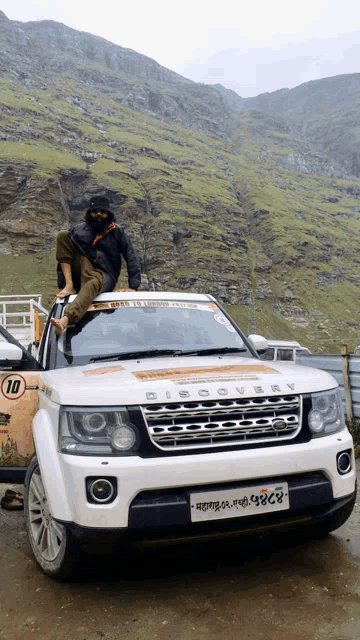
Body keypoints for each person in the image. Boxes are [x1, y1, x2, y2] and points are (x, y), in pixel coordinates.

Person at [50, 195, 141, 336]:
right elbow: (65, 255)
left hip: (105, 275)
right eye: (95, 211)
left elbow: (131, 256)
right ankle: (69, 286)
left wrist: (133, 286)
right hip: (83, 272)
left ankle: (65, 320)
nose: (98, 214)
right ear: (89, 213)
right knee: (63, 235)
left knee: (93, 282)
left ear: (108, 214)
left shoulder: (118, 232)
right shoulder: (78, 230)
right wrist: (63, 285)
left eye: (102, 211)